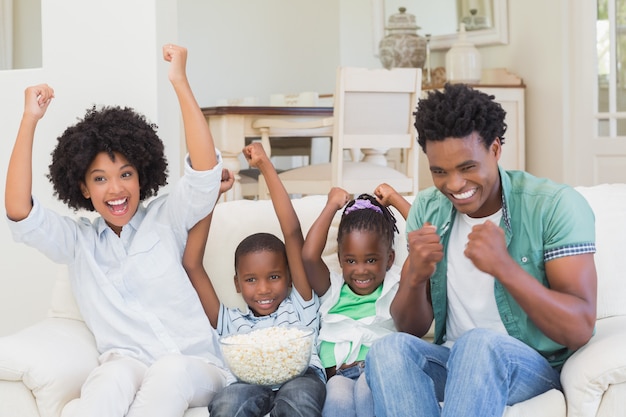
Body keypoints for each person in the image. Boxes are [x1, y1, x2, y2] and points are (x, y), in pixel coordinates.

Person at [5, 44, 232, 417]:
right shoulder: (78, 244)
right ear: (82, 188)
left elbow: (205, 172)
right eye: (100, 179)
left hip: (195, 366)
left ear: (142, 174)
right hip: (128, 365)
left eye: (126, 174)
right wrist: (29, 119)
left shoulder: (167, 218)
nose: (116, 190)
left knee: (169, 371)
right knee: (109, 377)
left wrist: (179, 81)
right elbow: (19, 210)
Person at [365, 83, 598, 417]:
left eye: (467, 167)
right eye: (439, 172)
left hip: (528, 366)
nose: (454, 185)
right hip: (453, 361)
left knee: (479, 343)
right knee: (387, 350)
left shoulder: (555, 206)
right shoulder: (427, 211)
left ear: (495, 149)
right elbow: (411, 328)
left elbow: (579, 329)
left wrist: (505, 268)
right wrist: (414, 275)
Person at [183, 142, 326, 417]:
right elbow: (192, 264)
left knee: (297, 401)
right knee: (227, 404)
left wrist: (265, 166)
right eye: (251, 280)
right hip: (247, 381)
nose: (263, 289)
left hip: (301, 376)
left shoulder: (300, 304)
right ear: (237, 284)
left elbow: (293, 232)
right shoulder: (231, 321)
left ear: (289, 278)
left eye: (274, 277)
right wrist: (212, 195)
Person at [302, 184, 409, 417]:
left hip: (377, 371)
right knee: (337, 399)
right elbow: (309, 256)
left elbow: (426, 242)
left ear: (389, 259)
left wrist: (397, 200)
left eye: (370, 260)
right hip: (338, 375)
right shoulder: (333, 289)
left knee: (364, 391)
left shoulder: (396, 285)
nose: (360, 271)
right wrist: (331, 205)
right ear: (340, 259)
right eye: (351, 261)